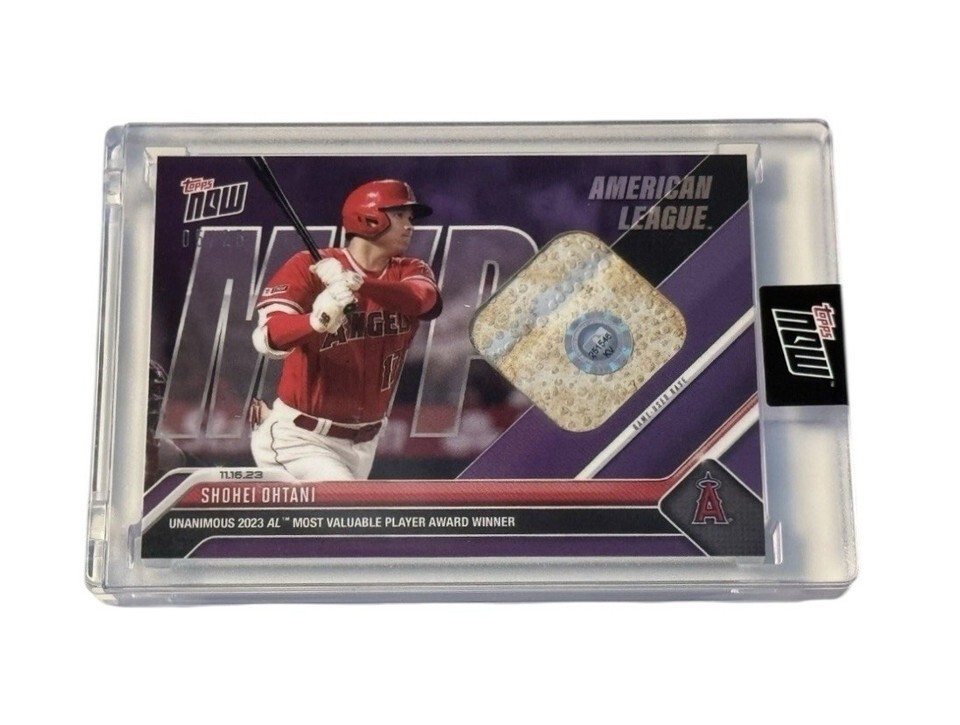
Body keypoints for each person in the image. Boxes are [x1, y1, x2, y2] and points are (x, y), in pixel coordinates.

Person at [249, 179, 441, 480]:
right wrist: (317, 321)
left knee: (347, 508)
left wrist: (356, 282)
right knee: (347, 506)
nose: (409, 225)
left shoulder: (410, 270)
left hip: (365, 443)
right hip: (300, 438)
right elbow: (267, 337)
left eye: (410, 218)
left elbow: (421, 300)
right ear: (369, 218)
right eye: (400, 215)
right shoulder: (307, 266)